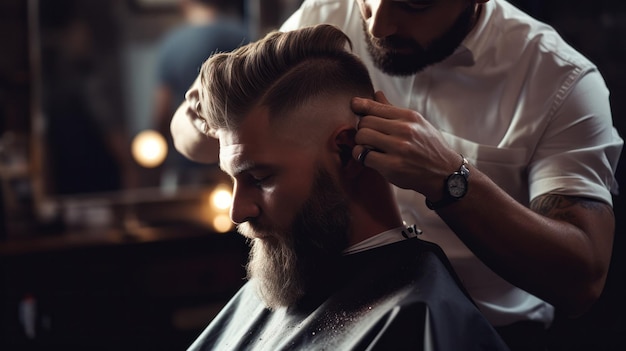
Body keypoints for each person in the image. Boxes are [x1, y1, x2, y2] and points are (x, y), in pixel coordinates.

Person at [171, 1, 623, 349]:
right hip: (328, 303)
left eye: (415, 3)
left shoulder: (559, 81)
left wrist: (451, 179)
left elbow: (581, 281)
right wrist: (207, 111)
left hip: (472, 331)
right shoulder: (327, 16)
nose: (379, 25)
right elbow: (202, 138)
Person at [184, 24, 509, 350]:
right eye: (233, 178)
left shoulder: (417, 316)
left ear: (349, 153)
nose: (237, 212)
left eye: (260, 178)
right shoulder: (281, 284)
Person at [153, 0, 248, 189]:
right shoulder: (243, 35)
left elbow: (162, 112)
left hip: (188, 163)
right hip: (236, 162)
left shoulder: (171, 45)